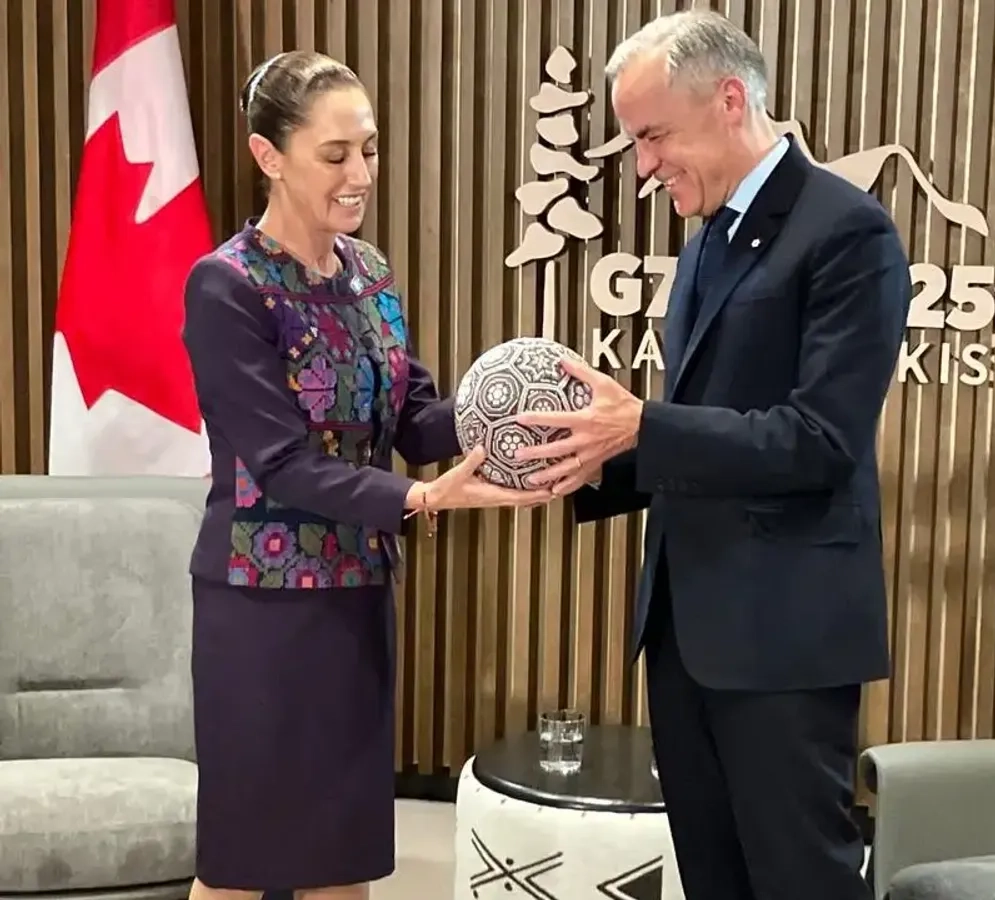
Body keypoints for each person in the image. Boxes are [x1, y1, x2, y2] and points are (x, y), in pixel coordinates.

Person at [513, 11, 910, 900]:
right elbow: (704, 431)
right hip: (687, 638)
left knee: (800, 883)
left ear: (730, 100)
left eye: (653, 136)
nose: (644, 166)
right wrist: (581, 460)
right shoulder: (703, 248)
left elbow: (820, 441)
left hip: (782, 646)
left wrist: (641, 429)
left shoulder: (850, 234)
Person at [180, 51, 549, 900]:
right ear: (269, 156)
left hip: (356, 596)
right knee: (242, 864)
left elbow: (413, 418)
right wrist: (420, 497)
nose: (361, 174)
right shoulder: (227, 286)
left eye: (370, 150)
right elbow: (279, 462)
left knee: (342, 857)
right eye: (336, 154)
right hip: (261, 610)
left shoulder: (369, 272)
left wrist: (516, 412)